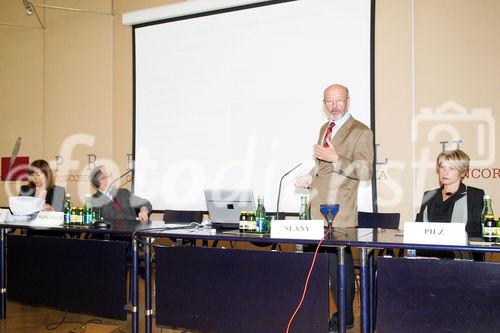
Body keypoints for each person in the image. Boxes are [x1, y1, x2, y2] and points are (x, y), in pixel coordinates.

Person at [296, 84, 374, 332]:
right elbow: (322, 166)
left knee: (339, 268)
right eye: (328, 101)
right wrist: (310, 176)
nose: (334, 106)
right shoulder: (324, 128)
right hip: (316, 209)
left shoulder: (361, 131)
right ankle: (316, 315)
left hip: (339, 213)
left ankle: (347, 319)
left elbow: (365, 171)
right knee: (317, 268)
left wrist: (335, 158)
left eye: (338, 100)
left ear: (348, 102)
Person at [415, 149, 484, 259]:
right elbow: (418, 230)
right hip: (427, 258)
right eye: (442, 167)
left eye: (451, 168)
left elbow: (476, 234)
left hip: (460, 262)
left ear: (463, 172)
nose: (445, 172)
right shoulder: (428, 195)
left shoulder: (475, 195)